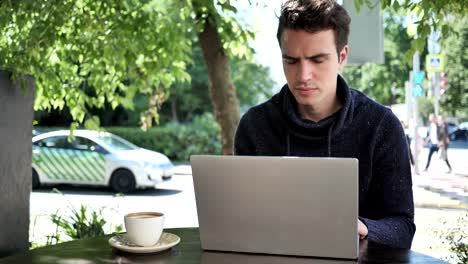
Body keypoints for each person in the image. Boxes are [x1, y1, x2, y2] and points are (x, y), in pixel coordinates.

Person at [234, 0, 415, 249]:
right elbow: (238, 222)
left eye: (317, 60)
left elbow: (403, 227)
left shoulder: (381, 126)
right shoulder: (255, 126)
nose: (303, 75)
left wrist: (364, 227)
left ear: (342, 57)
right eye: (291, 61)